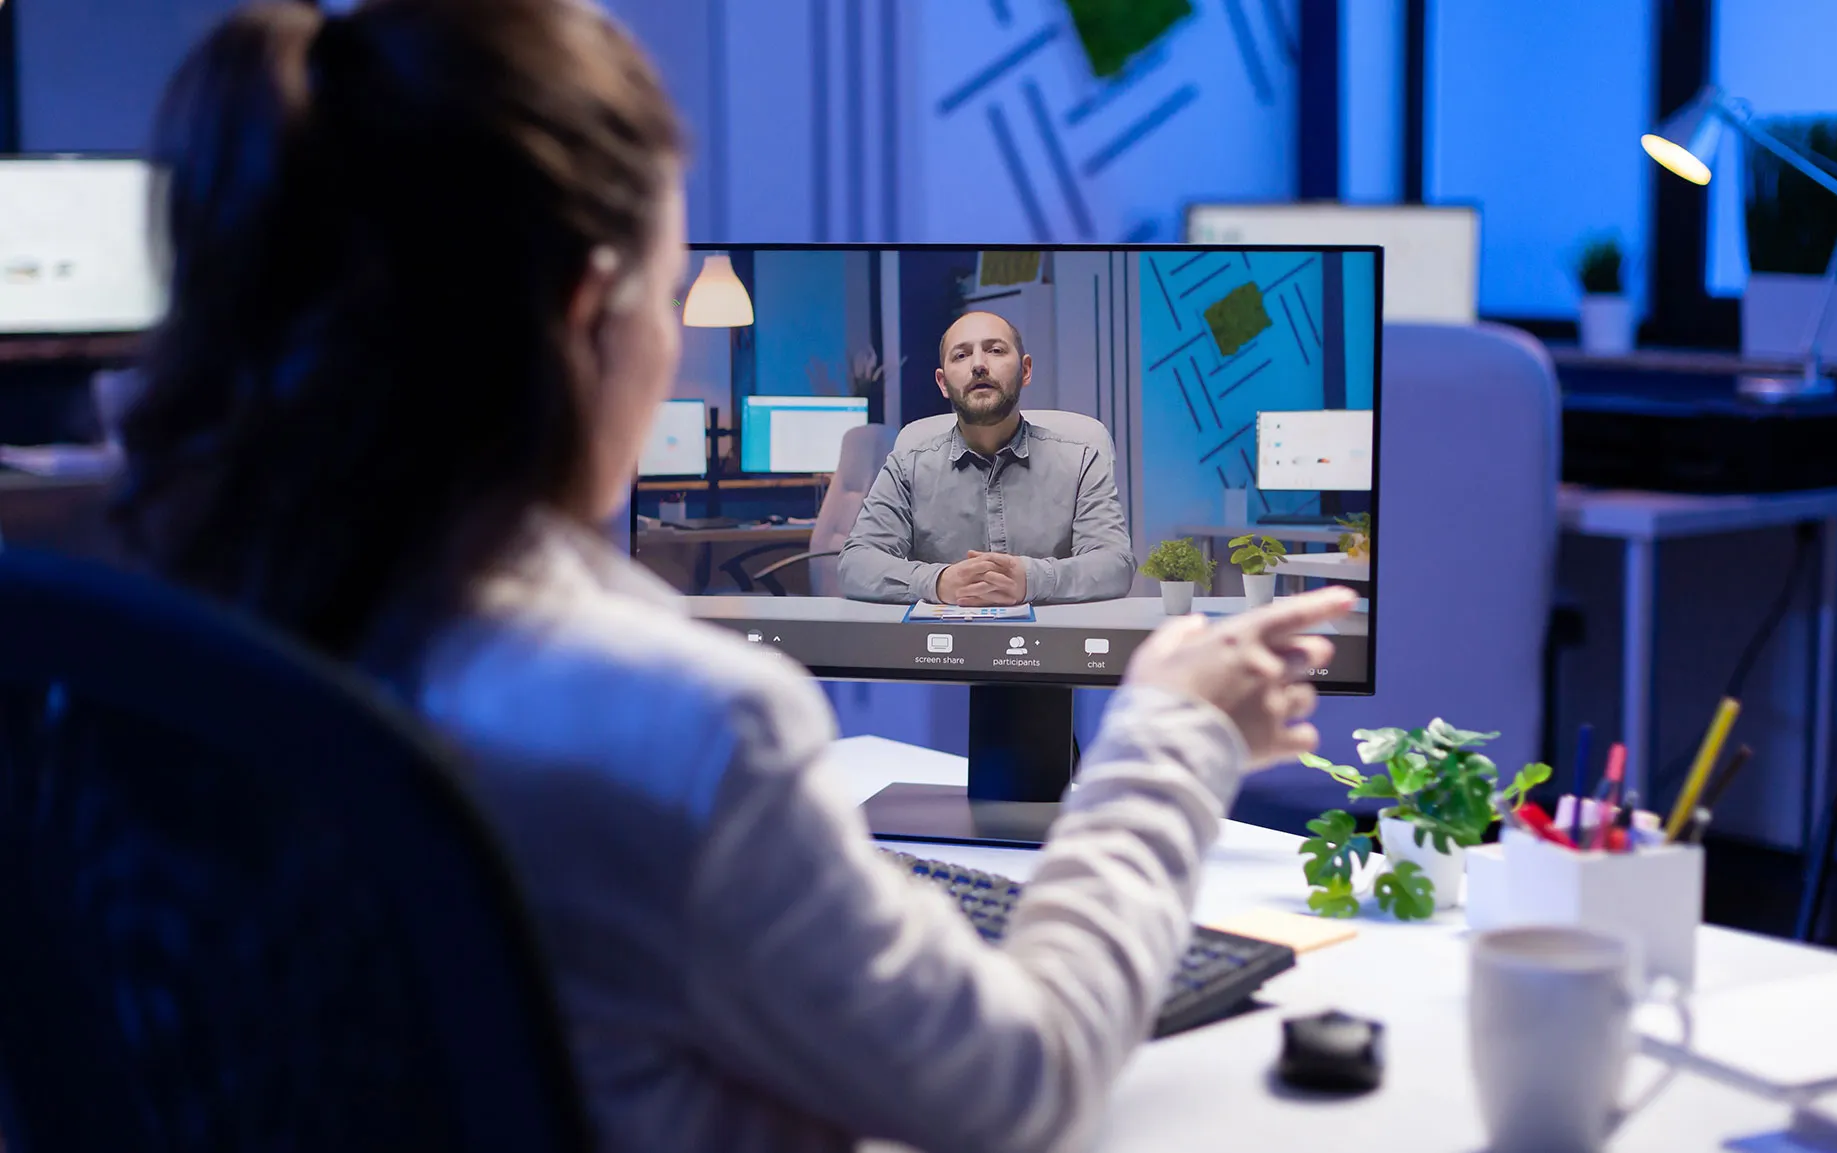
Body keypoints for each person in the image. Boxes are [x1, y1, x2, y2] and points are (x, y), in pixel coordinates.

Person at [115, 3, 1358, 1152]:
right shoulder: (692, 726)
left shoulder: (158, 623)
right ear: (589, 306)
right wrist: (1171, 733)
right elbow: (1012, 1082)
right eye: (668, 292)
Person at [837, 310, 1135, 606]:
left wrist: (1032, 580)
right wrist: (939, 583)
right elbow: (856, 563)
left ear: (1026, 370)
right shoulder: (908, 466)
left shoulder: (1080, 459)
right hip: (942, 645)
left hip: (1051, 644)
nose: (979, 365)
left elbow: (1115, 564)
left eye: (995, 350)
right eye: (961, 355)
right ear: (942, 383)